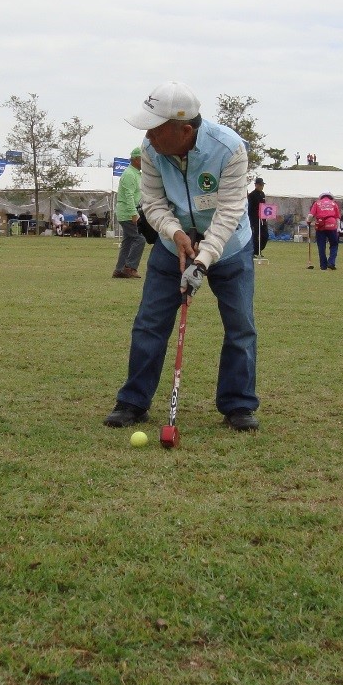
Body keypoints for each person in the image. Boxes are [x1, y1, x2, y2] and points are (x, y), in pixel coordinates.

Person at [105, 81, 259, 433]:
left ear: (185, 129)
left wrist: (202, 260)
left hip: (229, 248)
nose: (149, 136)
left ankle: (239, 405)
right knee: (149, 322)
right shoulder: (151, 149)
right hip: (172, 245)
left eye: (156, 128)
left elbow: (231, 210)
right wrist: (175, 234)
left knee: (240, 327)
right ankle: (133, 400)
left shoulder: (230, 149)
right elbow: (154, 203)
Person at [113, 146, 146, 279]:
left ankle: (119, 269)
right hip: (127, 213)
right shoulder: (129, 174)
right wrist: (134, 213)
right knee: (140, 239)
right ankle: (130, 267)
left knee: (128, 241)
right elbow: (129, 195)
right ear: (136, 160)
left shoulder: (137, 174)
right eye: (143, 159)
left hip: (127, 212)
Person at [308, 191, 341, 270]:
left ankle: (323, 266)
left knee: (321, 246)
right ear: (330, 197)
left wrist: (308, 222)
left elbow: (310, 215)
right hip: (332, 226)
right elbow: (337, 218)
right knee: (334, 245)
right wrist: (338, 229)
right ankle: (331, 262)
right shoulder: (334, 204)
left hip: (320, 226)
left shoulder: (317, 203)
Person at [247, 177, 269, 258]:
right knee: (255, 235)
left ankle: (259, 249)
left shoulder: (262, 194)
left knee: (265, 235)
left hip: (262, 218)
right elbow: (249, 208)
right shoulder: (252, 195)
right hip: (254, 218)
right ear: (256, 185)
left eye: (262, 185)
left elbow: (264, 206)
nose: (262, 186)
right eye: (260, 185)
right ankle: (255, 251)